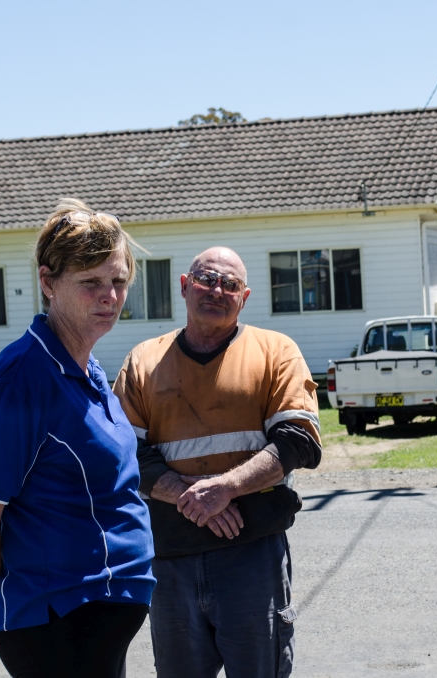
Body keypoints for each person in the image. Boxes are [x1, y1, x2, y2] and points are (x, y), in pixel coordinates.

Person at [0, 200, 155, 677]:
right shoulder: (23, 377)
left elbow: (46, 511)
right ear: (48, 283)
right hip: (62, 631)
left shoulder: (84, 368)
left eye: (118, 281)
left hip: (94, 623)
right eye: (91, 283)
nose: (109, 295)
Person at [114, 246, 322, 678]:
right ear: (185, 287)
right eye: (207, 279)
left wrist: (224, 490)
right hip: (171, 559)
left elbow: (299, 441)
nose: (217, 291)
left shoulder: (275, 351)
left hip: (251, 556)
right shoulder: (143, 361)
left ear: (244, 298)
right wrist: (197, 497)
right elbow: (124, 453)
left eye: (230, 285)